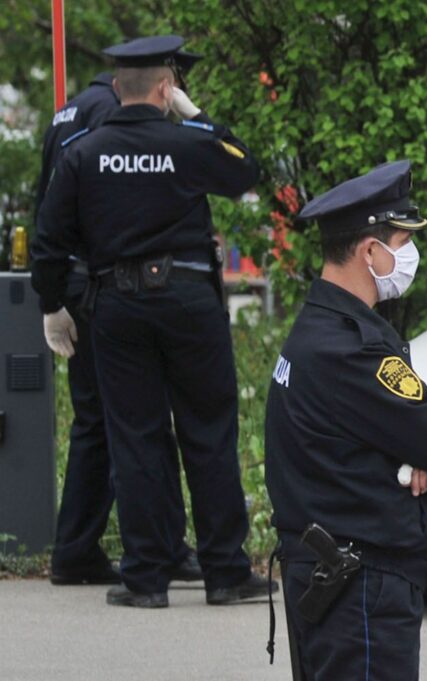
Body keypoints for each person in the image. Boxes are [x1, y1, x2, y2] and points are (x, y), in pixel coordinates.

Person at [31, 34, 274, 608]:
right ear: (167, 90)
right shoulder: (188, 143)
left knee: (134, 438)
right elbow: (247, 171)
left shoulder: (85, 150)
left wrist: (52, 305)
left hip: (118, 307)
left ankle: (145, 579)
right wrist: (199, 116)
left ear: (118, 89)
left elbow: (49, 238)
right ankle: (225, 572)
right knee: (208, 432)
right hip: (189, 303)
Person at [264, 160, 427, 680]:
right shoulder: (351, 352)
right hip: (360, 588)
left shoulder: (316, 331)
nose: (409, 255)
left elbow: (398, 435)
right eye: (402, 243)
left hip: (333, 576)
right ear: (369, 252)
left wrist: (423, 458)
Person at [35, 68, 201, 587]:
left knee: (97, 423)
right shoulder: (117, 117)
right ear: (163, 82)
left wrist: (51, 295)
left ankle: (77, 549)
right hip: (108, 285)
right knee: (141, 422)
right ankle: (160, 548)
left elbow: (47, 205)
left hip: (76, 284)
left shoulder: (67, 112)